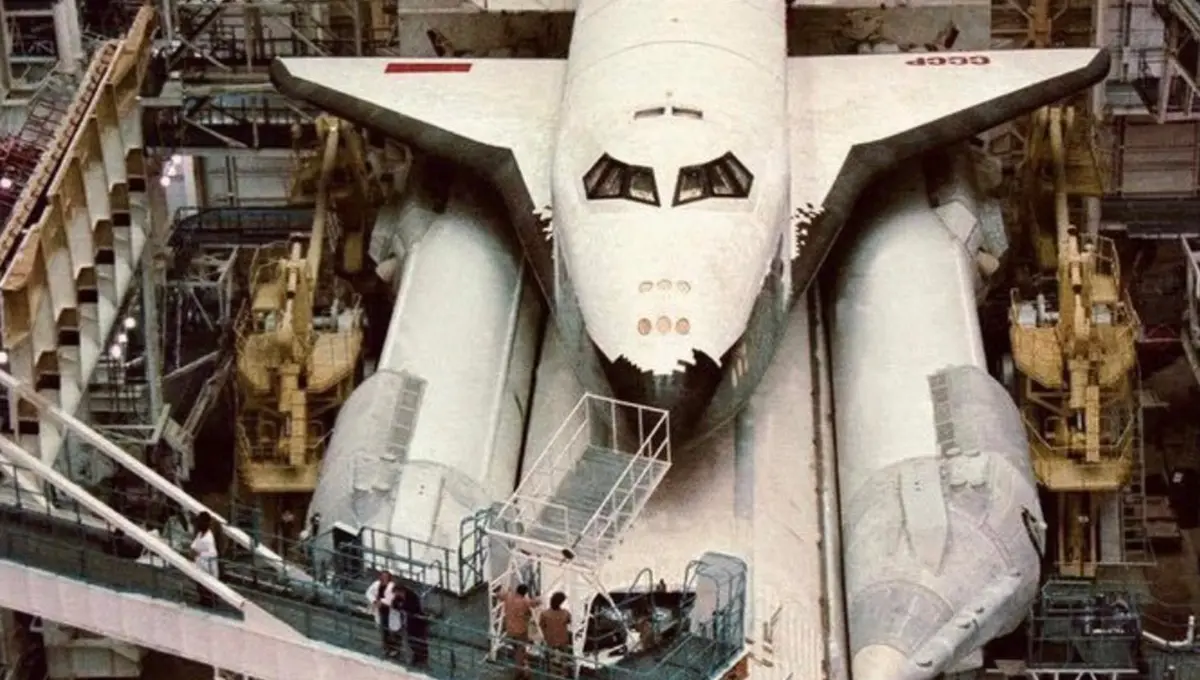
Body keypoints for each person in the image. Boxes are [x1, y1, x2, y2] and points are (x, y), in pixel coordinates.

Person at [500, 584, 539, 678]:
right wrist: (540, 599)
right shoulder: (524, 602)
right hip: (521, 631)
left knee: (518, 649)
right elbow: (534, 604)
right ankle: (519, 672)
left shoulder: (508, 596)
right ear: (525, 593)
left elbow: (500, 595)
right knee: (520, 651)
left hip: (510, 629)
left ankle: (523, 667)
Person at [187, 512, 219, 607]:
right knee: (200, 586)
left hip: (208, 567)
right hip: (199, 565)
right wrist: (192, 550)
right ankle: (203, 600)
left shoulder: (209, 538)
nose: (198, 524)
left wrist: (199, 554)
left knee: (208, 587)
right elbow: (194, 545)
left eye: (200, 522)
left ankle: (211, 602)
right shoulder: (200, 534)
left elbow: (213, 553)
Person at [366, 570, 401, 657]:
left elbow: (391, 598)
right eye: (383, 576)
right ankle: (386, 648)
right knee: (383, 630)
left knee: (392, 632)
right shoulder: (376, 584)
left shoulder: (392, 586)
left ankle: (394, 649)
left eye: (386, 577)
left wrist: (381, 601)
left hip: (390, 610)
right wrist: (374, 601)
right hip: (380, 610)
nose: (384, 578)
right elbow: (369, 593)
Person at [538, 592, 572, 677]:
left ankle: (552, 675)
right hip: (563, 640)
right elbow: (569, 620)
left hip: (550, 640)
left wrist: (546, 635)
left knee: (551, 660)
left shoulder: (544, 614)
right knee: (564, 660)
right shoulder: (565, 613)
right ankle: (564, 675)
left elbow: (541, 625)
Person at [397, 585, 429, 666]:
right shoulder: (401, 597)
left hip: (418, 623)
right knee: (411, 640)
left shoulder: (412, 597)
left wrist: (402, 606)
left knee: (420, 640)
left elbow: (412, 608)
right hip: (410, 623)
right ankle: (417, 657)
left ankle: (422, 659)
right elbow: (395, 604)